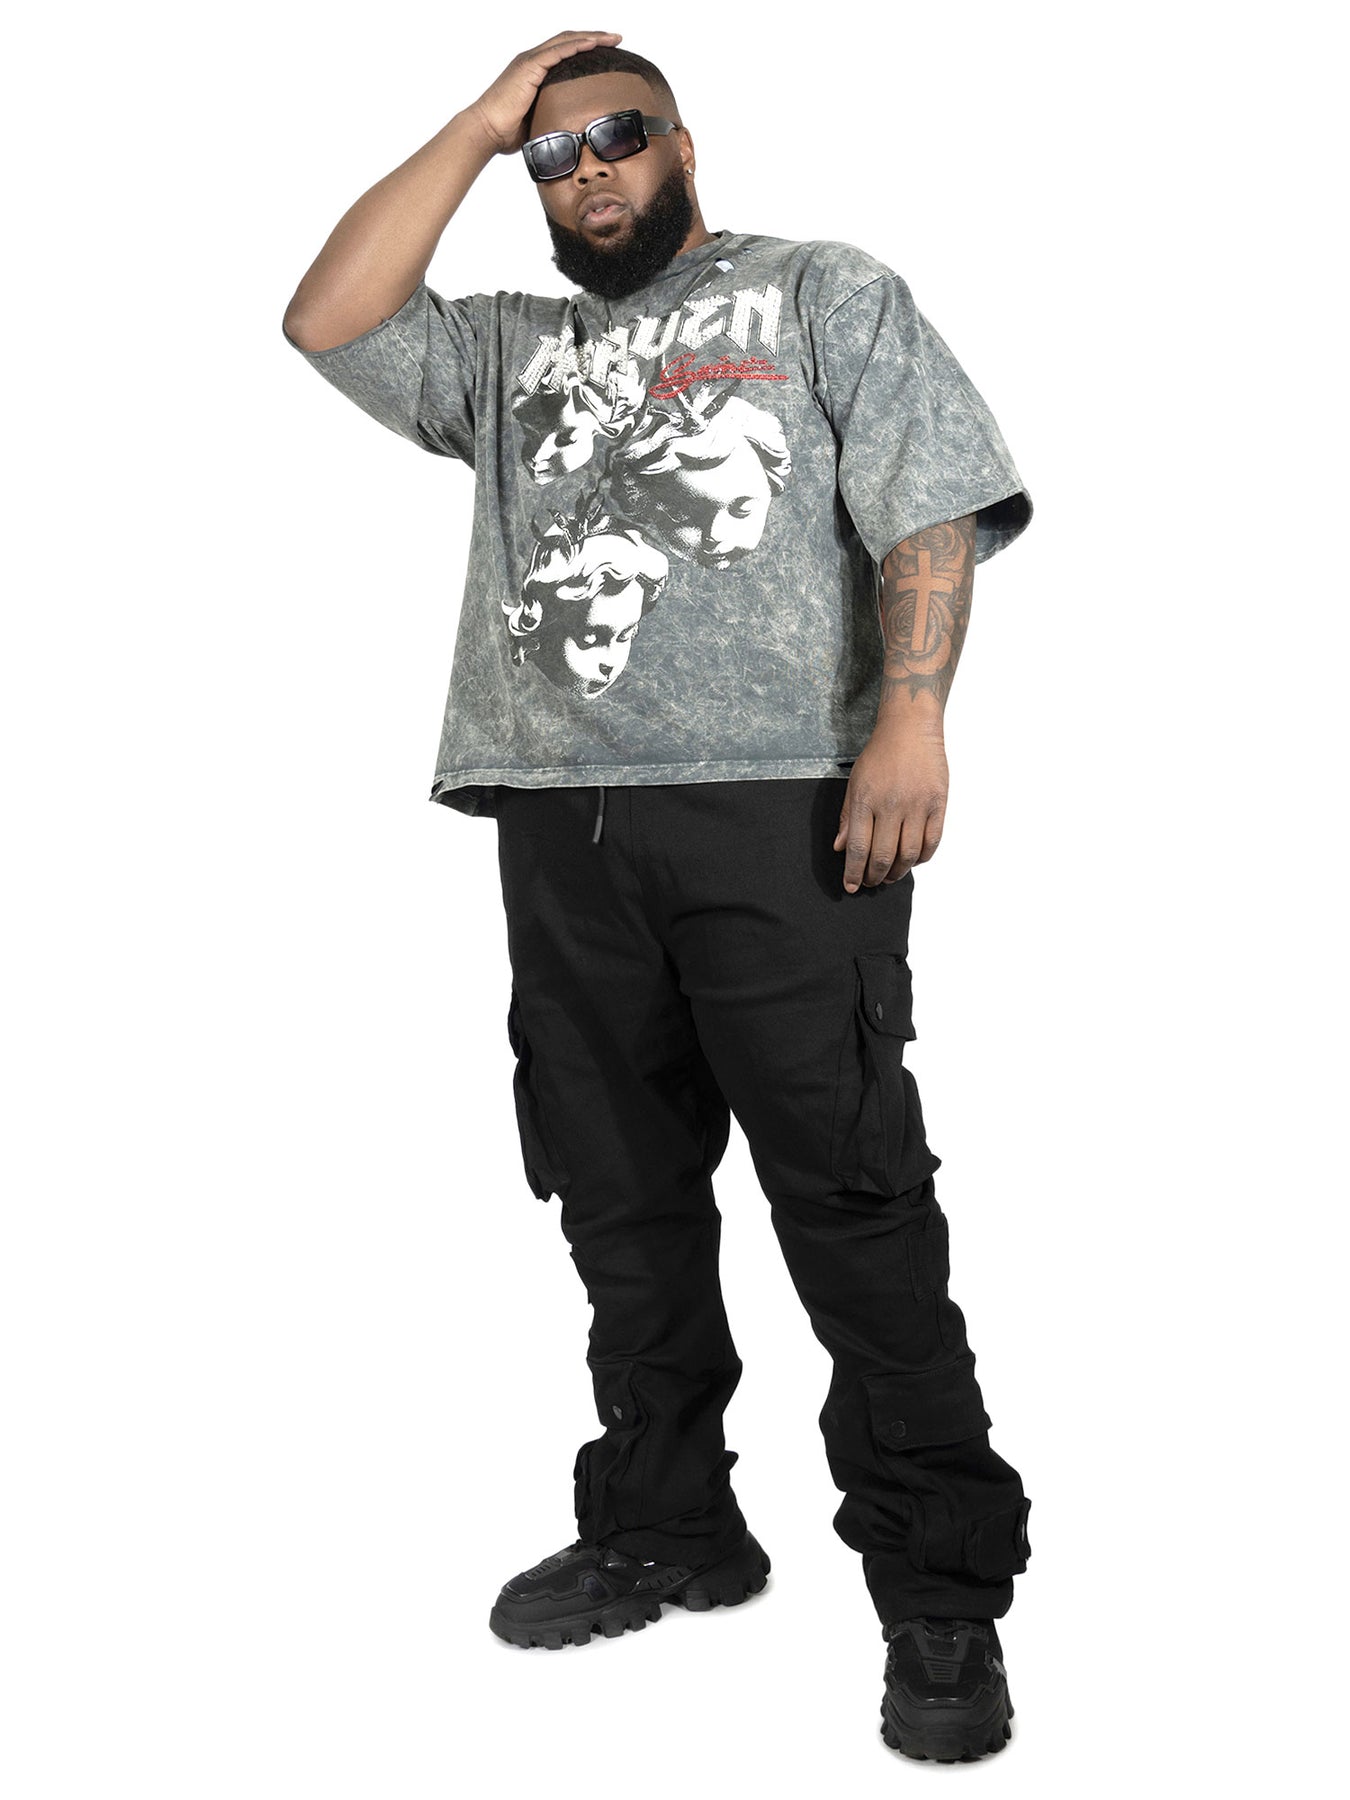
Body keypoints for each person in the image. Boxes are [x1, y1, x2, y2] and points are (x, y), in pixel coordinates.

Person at [282, 30, 1035, 1764]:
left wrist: (912, 717)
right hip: (558, 818)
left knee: (848, 1195)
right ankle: (667, 1521)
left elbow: (926, 506)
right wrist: (479, 120)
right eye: (553, 157)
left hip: (782, 807)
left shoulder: (818, 290)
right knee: (616, 1203)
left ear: (681, 141)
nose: (587, 172)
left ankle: (940, 1594)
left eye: (614, 138)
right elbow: (325, 317)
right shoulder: (502, 348)